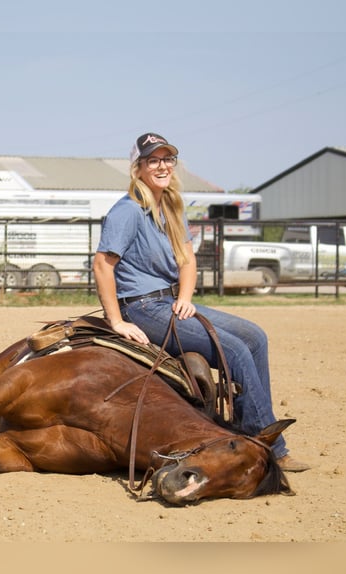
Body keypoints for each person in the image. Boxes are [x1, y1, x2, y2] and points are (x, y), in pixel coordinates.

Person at [93, 132, 309, 472]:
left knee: (255, 337)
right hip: (143, 307)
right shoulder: (129, 211)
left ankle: (248, 429)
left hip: (169, 302)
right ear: (138, 168)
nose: (162, 166)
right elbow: (103, 265)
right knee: (234, 350)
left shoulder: (171, 207)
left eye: (167, 159)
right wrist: (117, 320)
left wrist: (185, 297)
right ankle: (270, 447)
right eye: (153, 160)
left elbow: (188, 261)